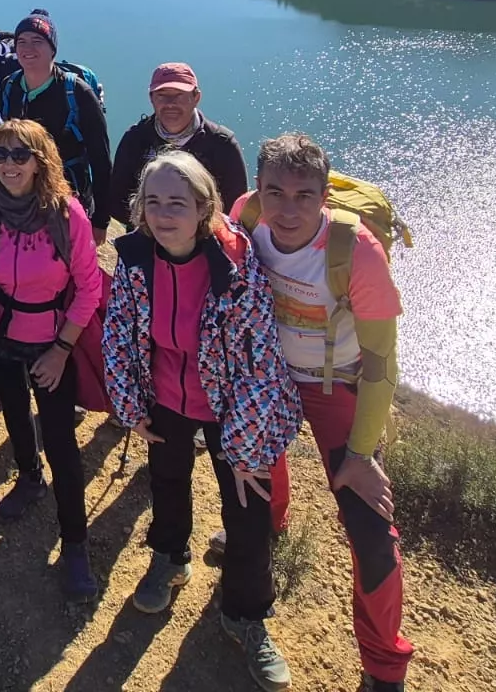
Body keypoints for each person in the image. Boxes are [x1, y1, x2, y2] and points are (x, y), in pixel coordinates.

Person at [103, 152, 302, 691]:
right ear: (140, 210)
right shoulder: (135, 257)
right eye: (153, 202)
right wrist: (129, 402)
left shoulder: (234, 265)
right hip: (165, 394)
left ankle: (246, 613)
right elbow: (119, 330)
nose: (165, 213)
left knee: (247, 510)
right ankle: (171, 557)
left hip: (231, 405)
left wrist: (243, 447)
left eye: (178, 202)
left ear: (204, 207)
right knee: (166, 480)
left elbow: (261, 358)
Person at [234, 134, 413, 692]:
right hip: (272, 378)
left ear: (324, 198)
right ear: (259, 189)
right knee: (259, 478)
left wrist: (360, 454)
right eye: (275, 192)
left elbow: (383, 362)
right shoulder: (246, 216)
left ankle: (384, 668)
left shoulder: (355, 251)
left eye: (304, 196)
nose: (288, 210)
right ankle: (269, 530)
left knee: (371, 531)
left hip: (340, 386)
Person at [0, 119, 106, 604]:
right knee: (16, 414)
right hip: (0, 335)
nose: (10, 164)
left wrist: (62, 350)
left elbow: (89, 288)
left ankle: (75, 544)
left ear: (41, 161)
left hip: (49, 342)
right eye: (1, 155)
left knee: (61, 441)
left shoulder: (67, 216)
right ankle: (28, 478)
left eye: (22, 155)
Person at [0, 12, 112, 247]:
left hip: (69, 198)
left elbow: (100, 160)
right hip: (23, 195)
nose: (28, 48)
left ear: (53, 49)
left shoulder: (77, 93)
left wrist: (101, 220)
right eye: (21, 42)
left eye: (37, 41)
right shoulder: (11, 87)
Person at [111, 62, 249, 226]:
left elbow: (235, 208)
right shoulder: (135, 139)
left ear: (196, 97)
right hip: (145, 240)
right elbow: (117, 201)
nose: (170, 103)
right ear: (151, 98)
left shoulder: (222, 144)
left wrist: (190, 232)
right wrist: (157, 226)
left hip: (206, 242)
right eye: (162, 95)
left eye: (179, 95)